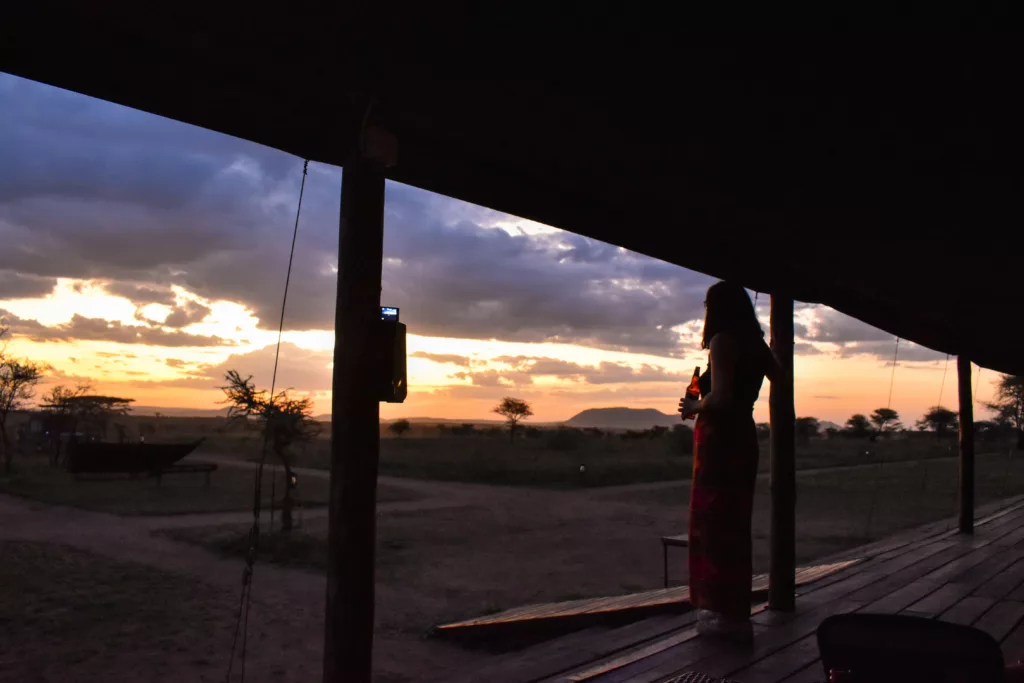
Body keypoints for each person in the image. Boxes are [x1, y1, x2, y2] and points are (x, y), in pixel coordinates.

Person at [679, 281, 782, 642]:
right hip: (743, 434)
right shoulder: (756, 343)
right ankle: (733, 610)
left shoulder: (723, 340)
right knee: (733, 522)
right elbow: (779, 379)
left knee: (713, 524)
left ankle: (719, 612)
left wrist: (695, 406)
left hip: (720, 439)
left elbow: (720, 398)